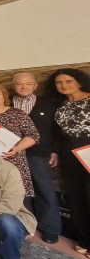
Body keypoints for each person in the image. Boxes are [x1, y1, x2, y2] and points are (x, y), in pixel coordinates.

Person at [11, 72, 62, 244]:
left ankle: (50, 228)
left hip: (39, 154)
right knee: (20, 191)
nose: (23, 87)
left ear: (35, 85)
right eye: (19, 84)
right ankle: (26, 224)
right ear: (14, 86)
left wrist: (55, 151)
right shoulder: (6, 102)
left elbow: (56, 131)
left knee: (45, 190)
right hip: (12, 153)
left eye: (27, 84)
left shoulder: (49, 105)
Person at [47, 68, 90, 254]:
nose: (63, 85)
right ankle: (86, 240)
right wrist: (56, 152)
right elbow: (58, 134)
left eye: (68, 81)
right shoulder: (61, 106)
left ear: (79, 81)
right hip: (69, 153)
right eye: (59, 83)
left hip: (88, 149)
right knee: (76, 196)